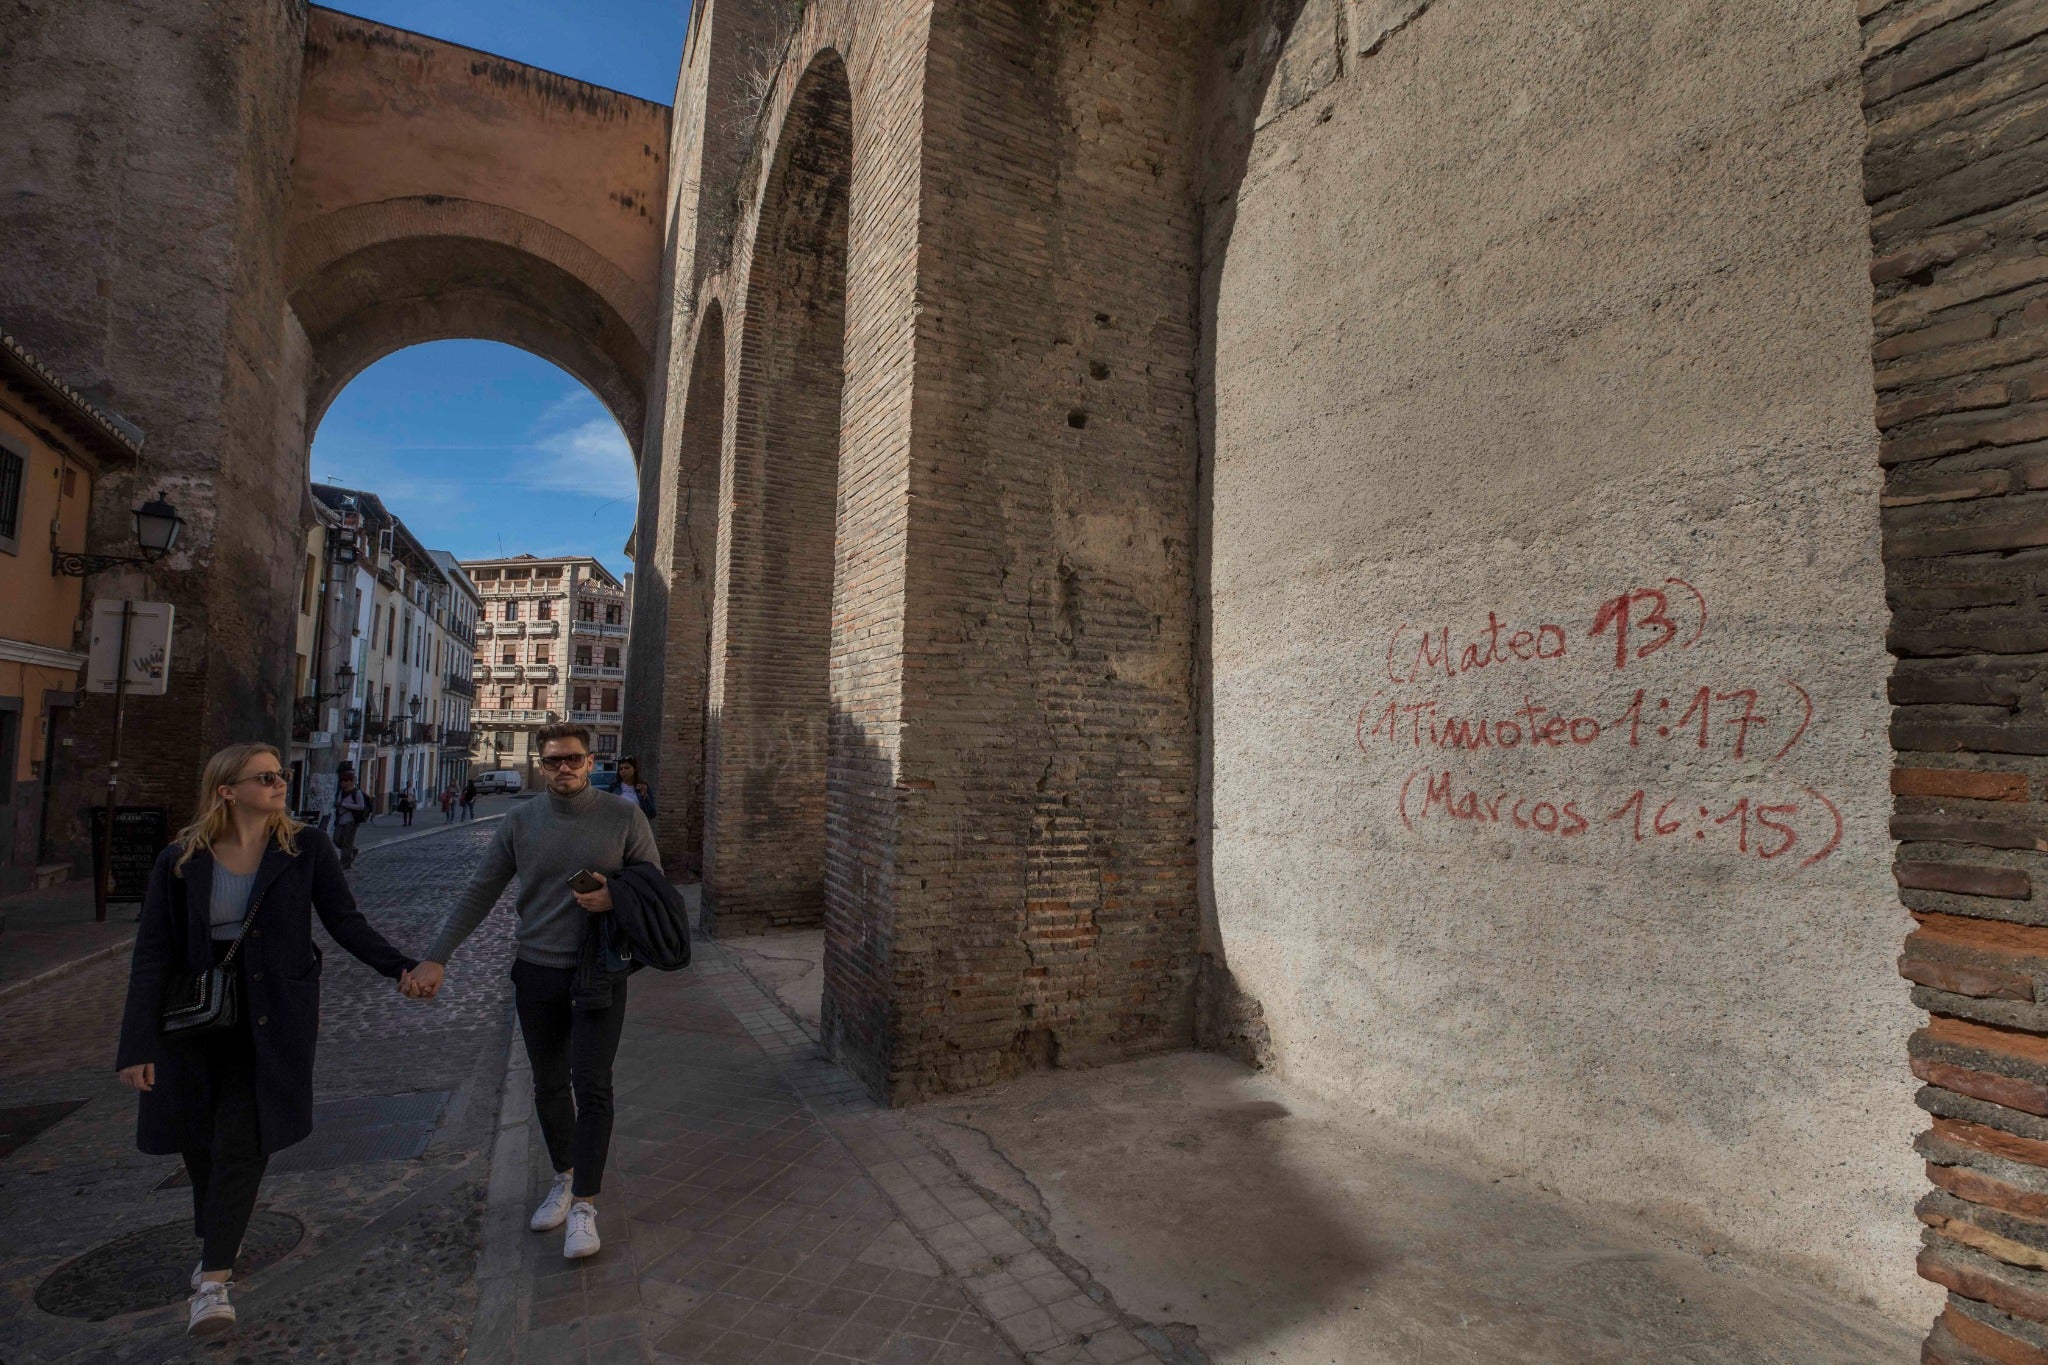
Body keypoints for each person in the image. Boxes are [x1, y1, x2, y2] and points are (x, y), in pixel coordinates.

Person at [115, 742, 421, 1338]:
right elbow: (151, 954)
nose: (281, 783)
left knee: (243, 1140)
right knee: (199, 1140)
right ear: (227, 789)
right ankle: (216, 1246)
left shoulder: (305, 848)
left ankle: (212, 1284)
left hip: (272, 1016)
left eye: (282, 774)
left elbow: (344, 922)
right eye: (266, 776)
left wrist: (401, 967)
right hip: (195, 1019)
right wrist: (136, 1044)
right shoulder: (180, 859)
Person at [403, 723, 656, 1261]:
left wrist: (616, 896)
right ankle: (564, 1177)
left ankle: (585, 1204)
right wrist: (437, 956)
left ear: (591, 762)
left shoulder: (623, 817)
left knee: (592, 1086)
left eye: (573, 759)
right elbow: (481, 890)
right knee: (547, 1084)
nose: (563, 769)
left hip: (598, 973)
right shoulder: (520, 822)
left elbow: (652, 887)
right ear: (541, 767)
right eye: (553, 762)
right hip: (536, 969)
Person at [331, 772, 369, 869]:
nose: (342, 783)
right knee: (336, 839)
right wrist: (337, 804)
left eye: (344, 781)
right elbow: (339, 802)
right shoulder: (341, 791)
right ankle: (352, 850)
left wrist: (345, 805)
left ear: (349, 781)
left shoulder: (357, 792)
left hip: (351, 821)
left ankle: (345, 863)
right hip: (340, 819)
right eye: (341, 781)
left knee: (346, 842)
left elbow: (361, 806)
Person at [614, 756, 656, 822]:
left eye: (627, 768)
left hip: (636, 827)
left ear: (634, 769)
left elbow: (651, 814)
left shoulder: (642, 787)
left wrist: (645, 796)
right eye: (620, 769)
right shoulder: (614, 788)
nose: (623, 771)